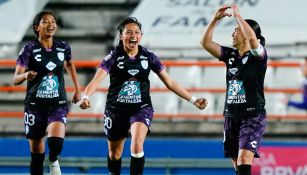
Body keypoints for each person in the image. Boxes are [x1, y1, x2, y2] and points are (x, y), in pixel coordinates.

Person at [79, 17, 208, 175]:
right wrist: (86, 96)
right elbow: (96, 80)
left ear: (141, 35)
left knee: (137, 144)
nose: (133, 35)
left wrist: (193, 100)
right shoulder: (113, 57)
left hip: (141, 108)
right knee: (114, 154)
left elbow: (170, 82)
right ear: (121, 36)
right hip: (115, 110)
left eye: (137, 32)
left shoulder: (149, 56)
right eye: (129, 32)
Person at [200, 4, 268, 175]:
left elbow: (253, 40)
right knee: (237, 164)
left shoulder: (258, 55)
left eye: (236, 30)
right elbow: (205, 42)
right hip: (231, 115)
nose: (232, 33)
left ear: (246, 34)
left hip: (252, 116)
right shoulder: (230, 56)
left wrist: (239, 16)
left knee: (244, 159)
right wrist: (215, 19)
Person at [13, 11, 81, 175]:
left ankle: (53, 159)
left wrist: (78, 89)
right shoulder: (28, 49)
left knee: (56, 143)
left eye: (53, 21)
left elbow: (70, 64)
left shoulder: (63, 47)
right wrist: (25, 75)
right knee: (36, 155)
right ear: (37, 27)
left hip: (57, 103)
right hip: (34, 106)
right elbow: (15, 79)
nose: (51, 24)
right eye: (45, 21)